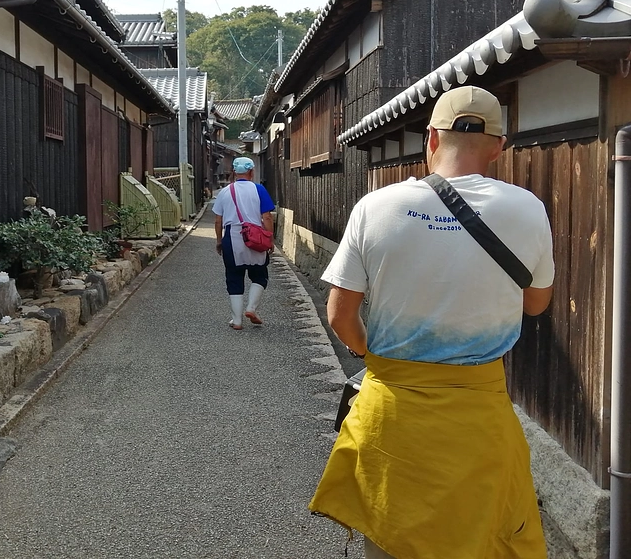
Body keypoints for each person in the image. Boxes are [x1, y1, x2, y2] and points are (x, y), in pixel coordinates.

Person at [309, 86, 554, 559]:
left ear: (431, 139)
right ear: (499, 146)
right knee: (479, 539)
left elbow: (340, 315)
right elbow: (535, 305)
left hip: (392, 414)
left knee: (389, 536)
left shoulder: (375, 207)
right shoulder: (527, 209)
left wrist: (375, 360)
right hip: (478, 420)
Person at [212, 156, 275, 329]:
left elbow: (218, 220)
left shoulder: (225, 192)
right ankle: (251, 308)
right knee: (259, 275)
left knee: (234, 277)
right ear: (251, 172)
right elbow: (267, 217)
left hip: (232, 239)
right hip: (255, 237)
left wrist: (219, 241)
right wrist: (270, 238)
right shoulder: (259, 189)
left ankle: (237, 321)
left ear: (234, 172)